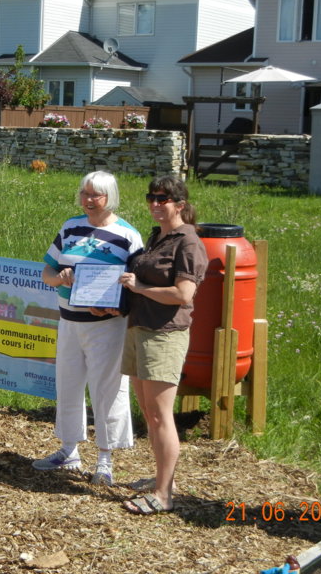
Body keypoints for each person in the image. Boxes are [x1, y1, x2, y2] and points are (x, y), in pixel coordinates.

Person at [32, 170, 144, 486]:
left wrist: (115, 304)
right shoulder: (70, 227)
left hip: (107, 325)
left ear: (111, 197)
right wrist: (60, 278)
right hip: (69, 321)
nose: (89, 200)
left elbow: (137, 283)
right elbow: (47, 271)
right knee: (67, 384)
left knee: (107, 390)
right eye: (85, 194)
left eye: (96, 195)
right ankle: (68, 450)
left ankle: (105, 460)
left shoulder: (128, 236)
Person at [120, 174, 207, 515]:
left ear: (180, 205)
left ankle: (164, 495)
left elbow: (184, 295)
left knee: (160, 416)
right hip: (139, 329)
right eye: (151, 197)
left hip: (164, 334)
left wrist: (139, 288)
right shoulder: (158, 236)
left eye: (163, 199)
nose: (155, 204)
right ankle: (161, 479)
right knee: (149, 414)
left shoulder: (188, 243)